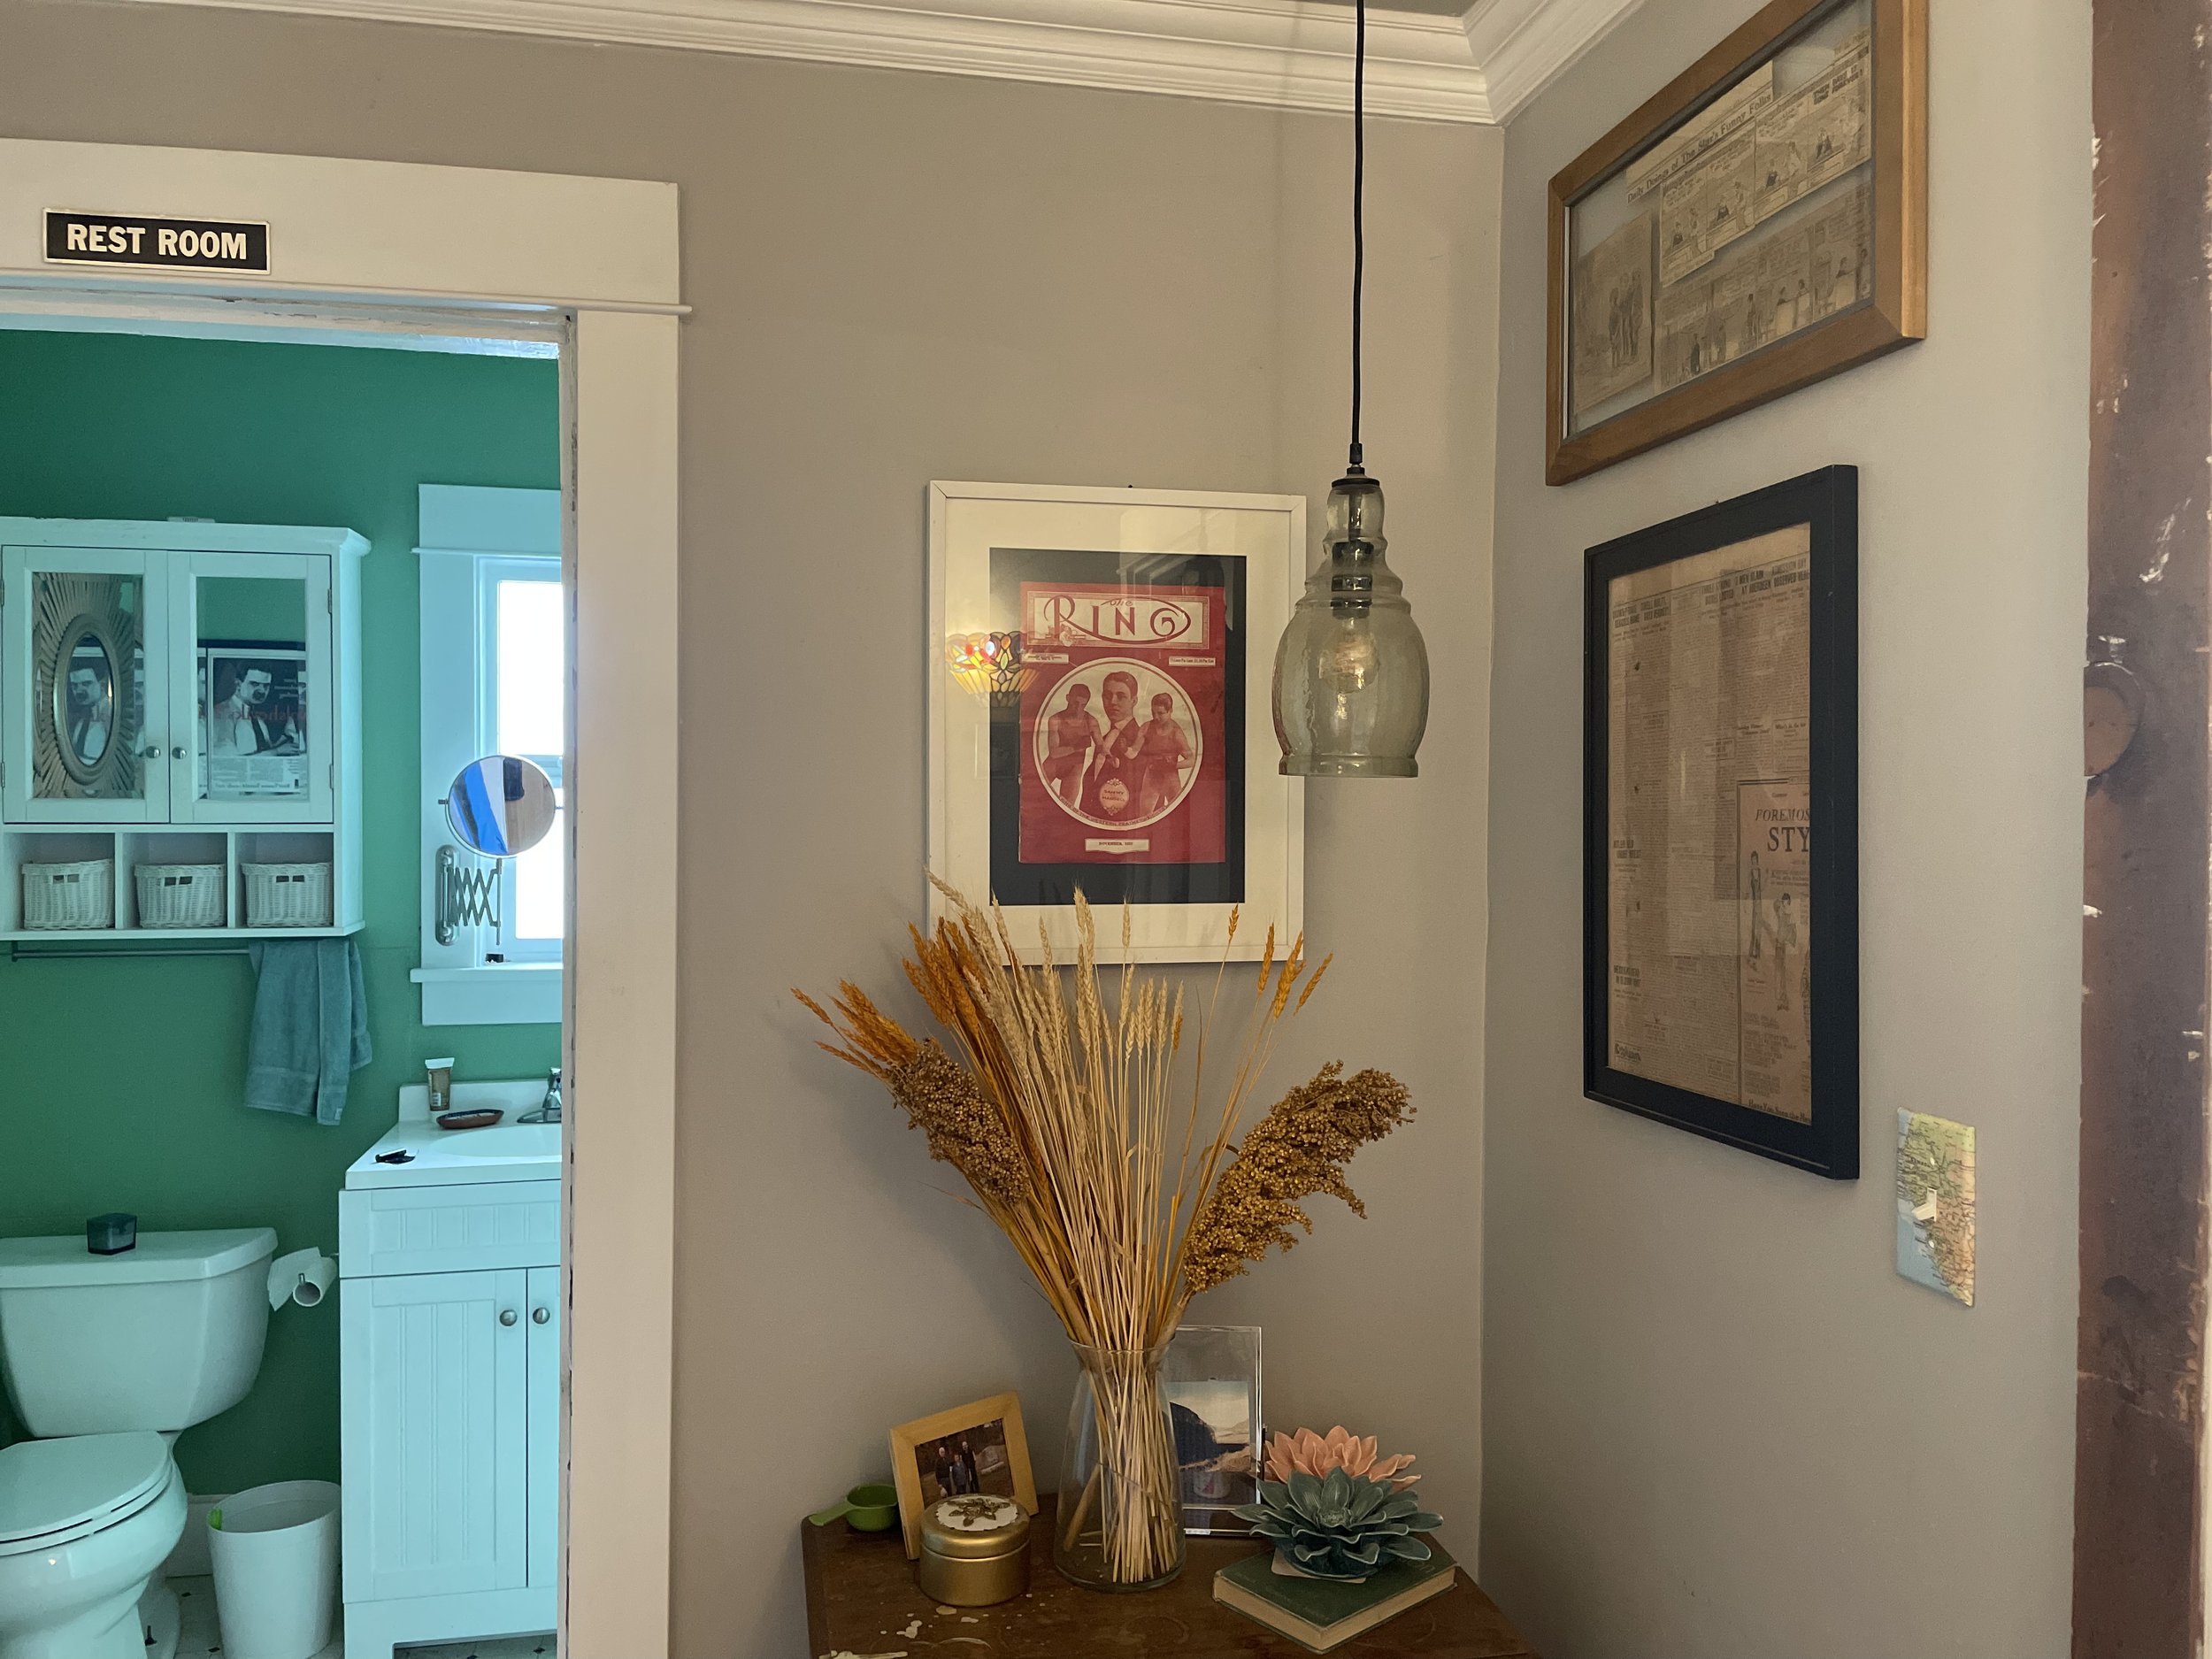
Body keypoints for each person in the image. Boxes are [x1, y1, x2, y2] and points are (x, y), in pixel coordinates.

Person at [1079, 671, 1145, 822]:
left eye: (1121, 696)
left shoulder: (1141, 740)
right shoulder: (1104, 740)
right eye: (1107, 696)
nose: (1113, 702)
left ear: (1134, 701)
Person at [209, 664, 301, 756]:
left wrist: (285, 738)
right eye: (255, 684)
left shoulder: (257, 718)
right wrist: (277, 751)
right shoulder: (221, 712)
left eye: (266, 686)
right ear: (238, 684)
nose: (262, 691)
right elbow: (228, 759)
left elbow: (262, 752)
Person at [1041, 681, 1102, 809]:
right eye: (1075, 703)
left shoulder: (1091, 721)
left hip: (1074, 768)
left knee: (1067, 807)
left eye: (1083, 705)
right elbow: (1054, 753)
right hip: (1054, 764)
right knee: (1035, 797)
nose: (1078, 709)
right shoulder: (1055, 719)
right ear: (1068, 698)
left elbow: (1101, 748)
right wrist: (1077, 747)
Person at [1134, 693, 1194, 817]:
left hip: (1170, 777)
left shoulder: (1176, 732)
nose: (1156, 717)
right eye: (1153, 712)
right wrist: (1124, 749)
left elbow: (1191, 760)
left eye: (1160, 713)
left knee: (1177, 814)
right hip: (1152, 775)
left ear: (1170, 711)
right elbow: (1133, 752)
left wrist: (1172, 765)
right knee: (1144, 816)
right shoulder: (1147, 727)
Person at [65, 662, 111, 763]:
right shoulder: (85, 715)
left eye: (86, 684)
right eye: (75, 686)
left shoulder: (110, 714)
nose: (79, 691)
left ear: (102, 685)